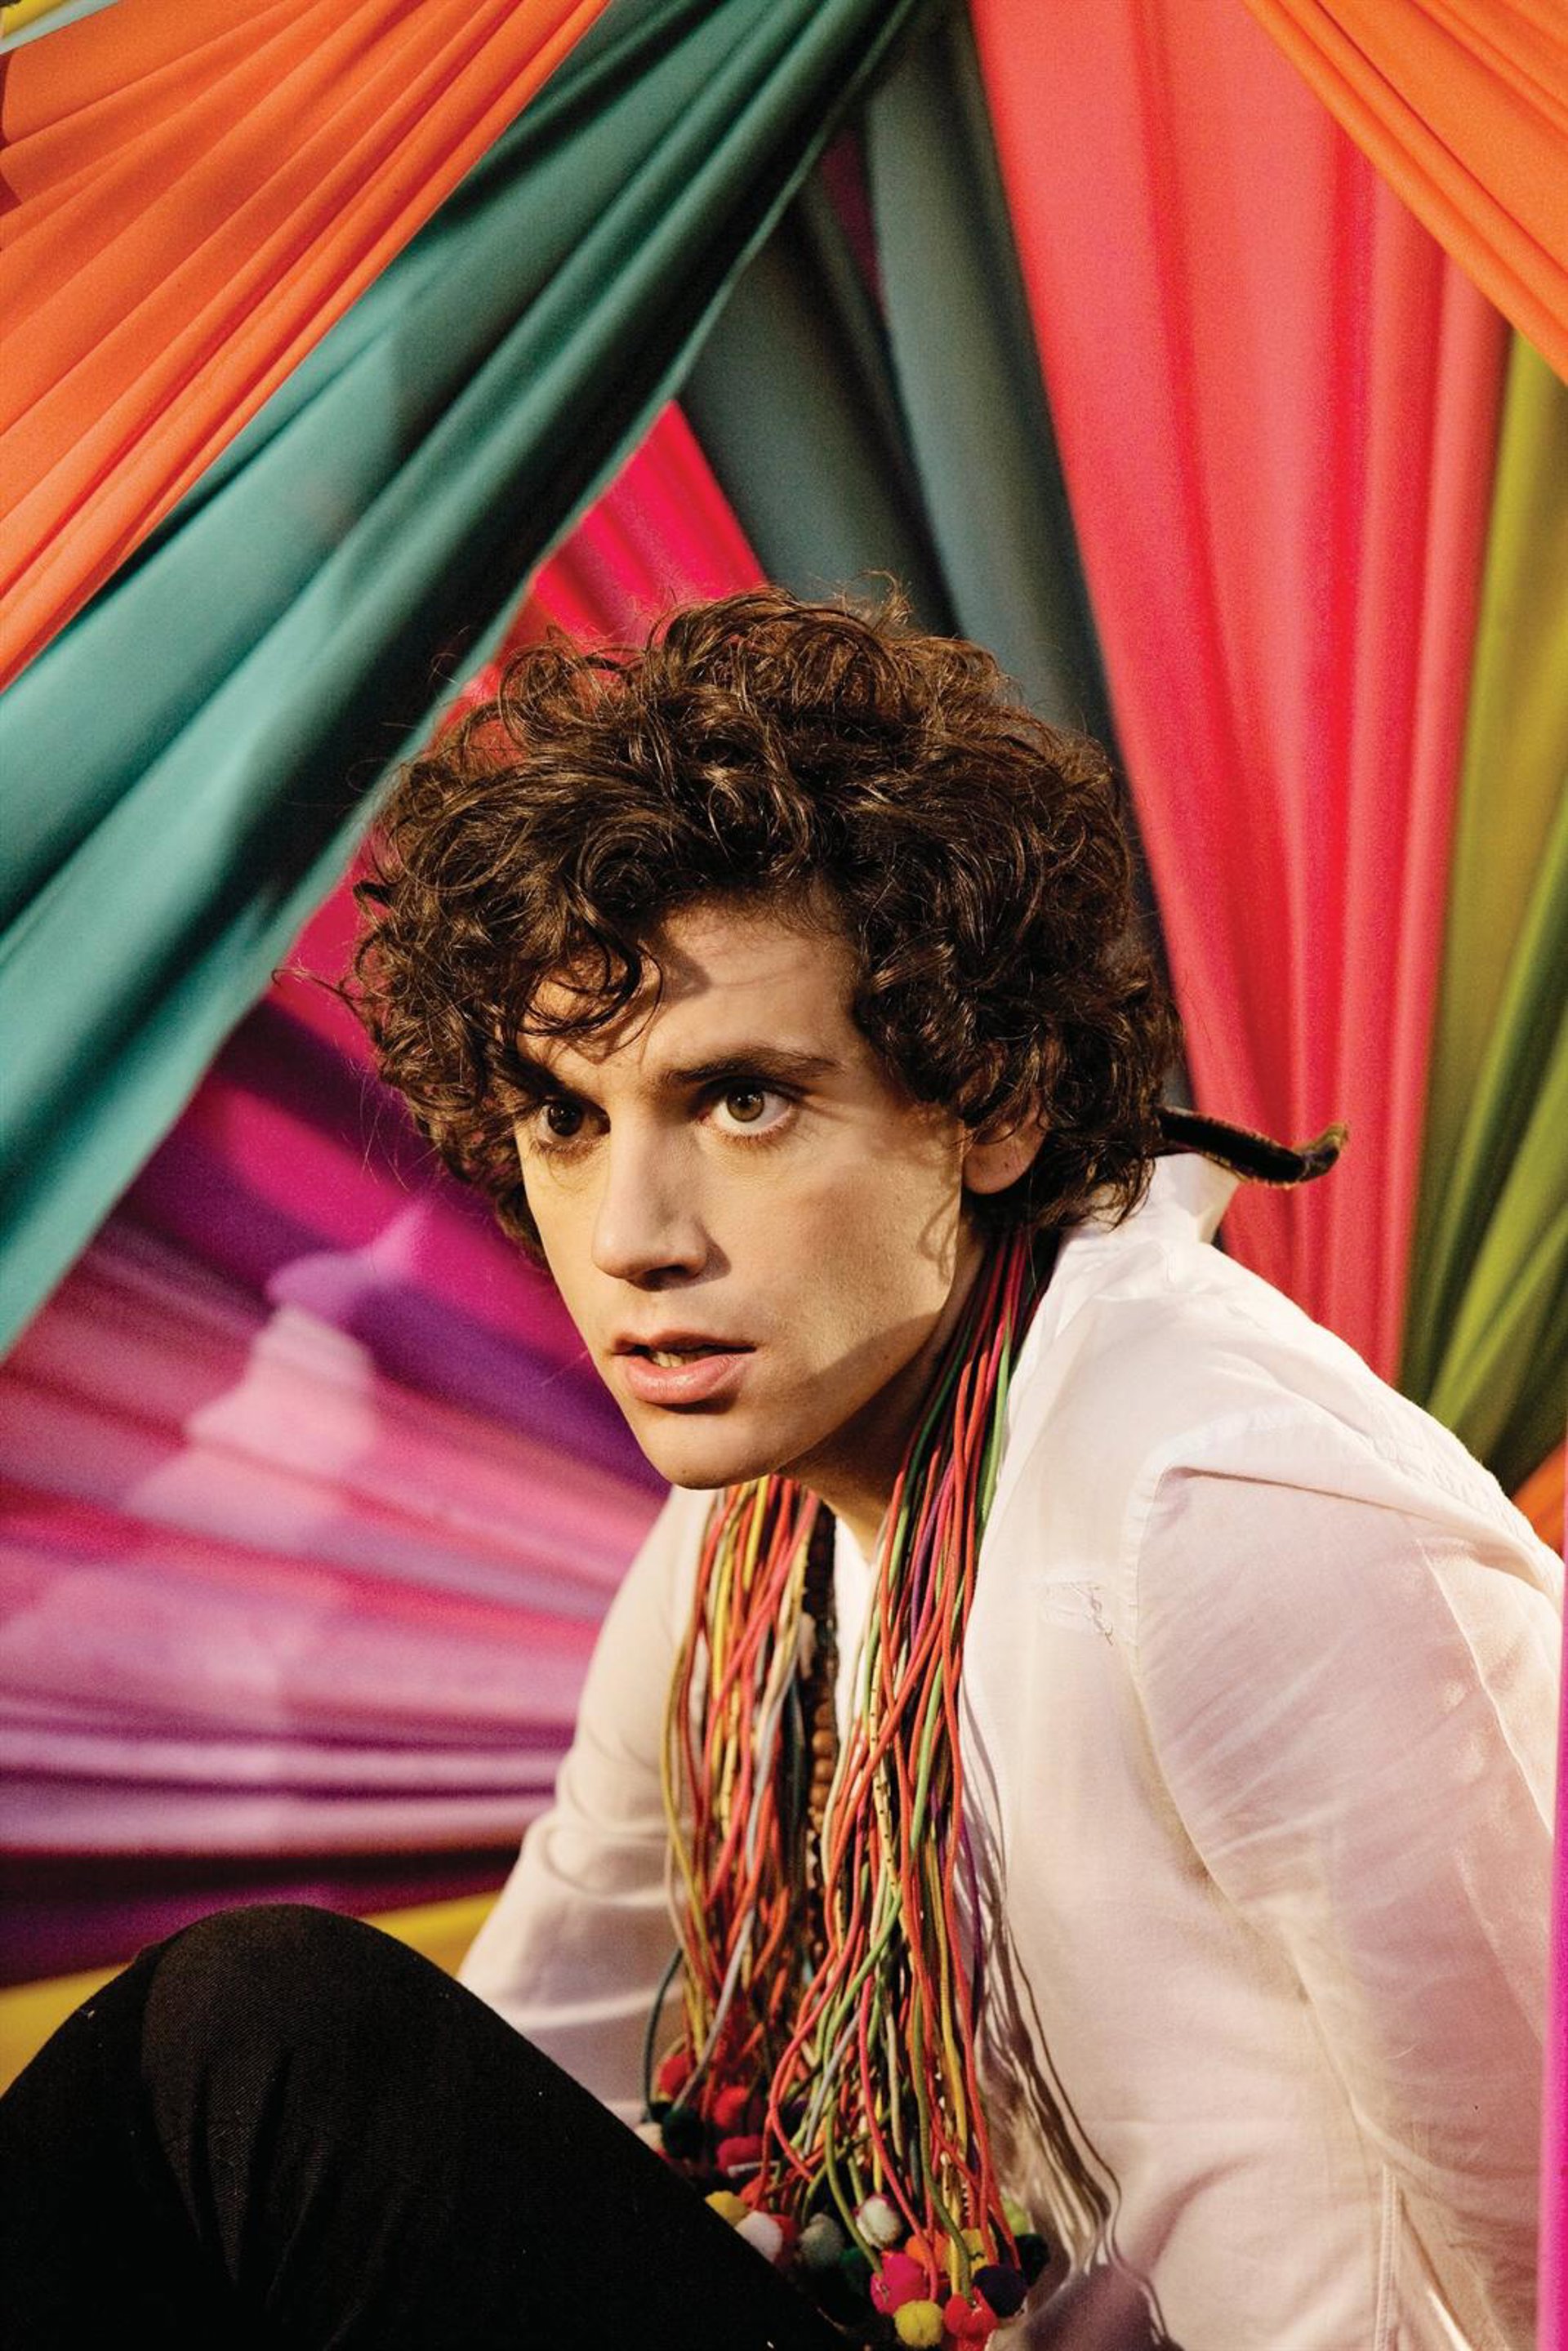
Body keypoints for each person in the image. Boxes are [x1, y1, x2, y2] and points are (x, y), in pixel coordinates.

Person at [2, 591, 1558, 2351]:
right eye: (568, 1119)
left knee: (257, 2039)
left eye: (741, 1100)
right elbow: (536, 2064)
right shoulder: (744, 1535)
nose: (632, 1239)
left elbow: (1544, 2239)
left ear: (990, 1101)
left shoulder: (1225, 1514)